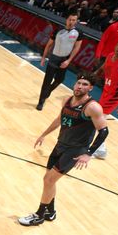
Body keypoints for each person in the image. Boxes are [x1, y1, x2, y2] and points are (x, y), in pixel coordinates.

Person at [18, 74, 108, 226]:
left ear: (90, 88)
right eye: (78, 83)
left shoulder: (92, 107)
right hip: (61, 145)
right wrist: (44, 134)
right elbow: (59, 120)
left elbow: (104, 131)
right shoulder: (66, 100)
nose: (80, 86)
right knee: (49, 180)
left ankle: (39, 215)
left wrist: (88, 154)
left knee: (48, 180)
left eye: (85, 84)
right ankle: (50, 212)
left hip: (75, 150)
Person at [36, 13, 83, 111]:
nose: (71, 22)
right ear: (66, 19)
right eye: (70, 19)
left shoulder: (78, 33)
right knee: (47, 81)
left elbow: (77, 47)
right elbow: (49, 44)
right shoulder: (58, 30)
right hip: (54, 58)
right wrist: (44, 57)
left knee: (59, 80)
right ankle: (41, 101)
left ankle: (47, 92)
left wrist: (69, 61)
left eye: (74, 20)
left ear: (76, 21)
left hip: (65, 59)